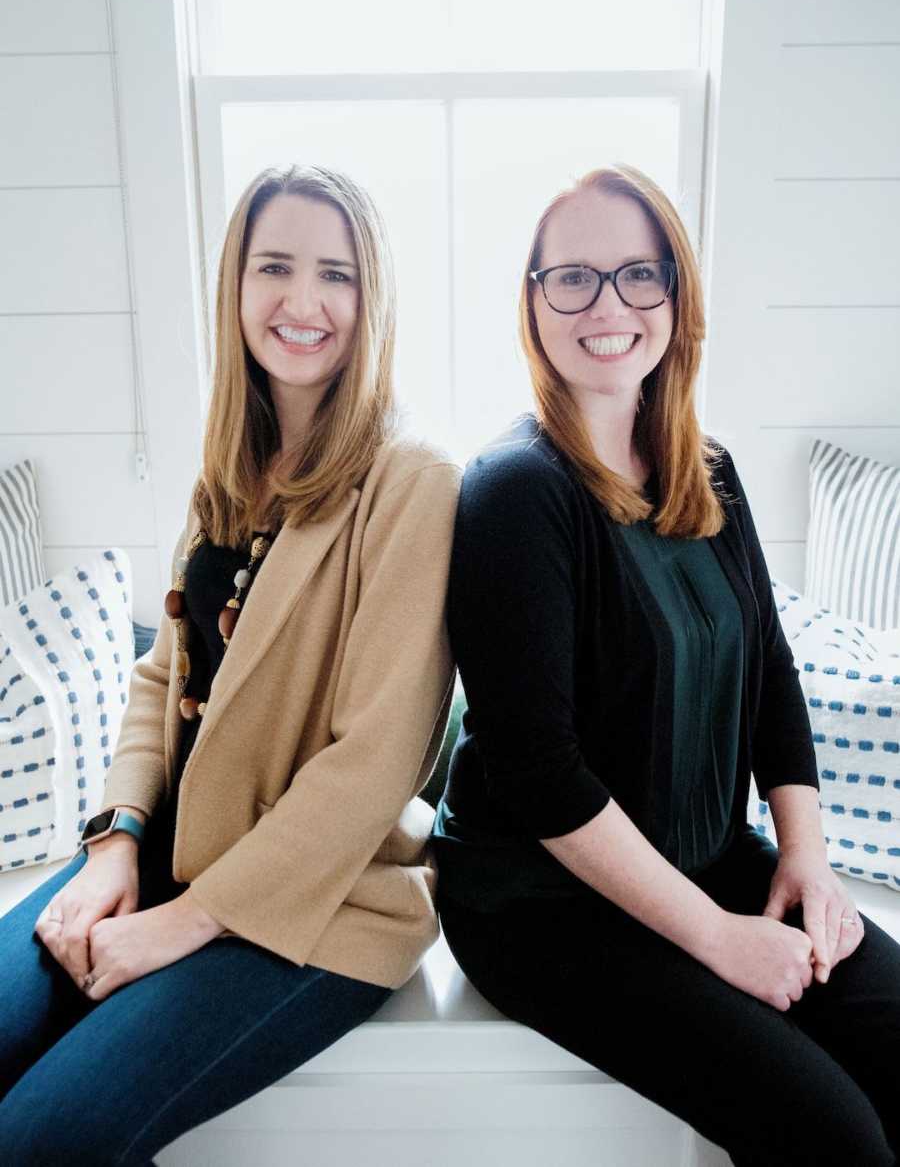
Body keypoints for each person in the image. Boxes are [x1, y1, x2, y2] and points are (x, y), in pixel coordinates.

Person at [432, 165, 900, 1167]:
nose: (607, 306)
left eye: (638, 274)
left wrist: (807, 864)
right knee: (839, 1141)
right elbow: (539, 771)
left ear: (676, 295)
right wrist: (722, 939)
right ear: (533, 300)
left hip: (704, 854)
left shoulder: (708, 468)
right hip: (539, 904)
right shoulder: (514, 493)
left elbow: (771, 670)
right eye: (573, 278)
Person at [0, 165, 460, 1165]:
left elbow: (371, 764)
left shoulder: (415, 482)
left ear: (370, 296)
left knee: (41, 1139)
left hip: (319, 907)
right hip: (164, 853)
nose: (303, 301)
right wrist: (114, 843)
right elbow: (161, 678)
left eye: (336, 274)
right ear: (235, 288)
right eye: (275, 267)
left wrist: (179, 928)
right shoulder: (232, 471)